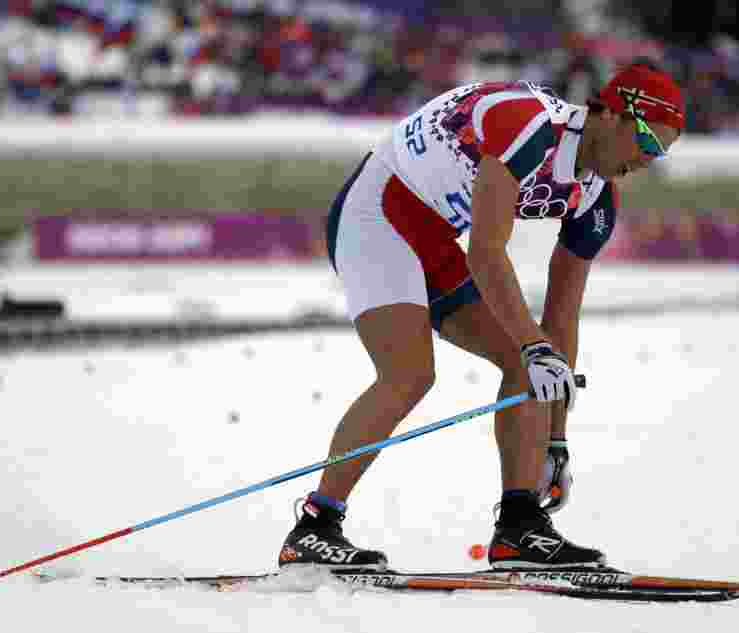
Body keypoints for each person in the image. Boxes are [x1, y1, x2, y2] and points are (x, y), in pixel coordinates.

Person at [279, 62, 685, 570]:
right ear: (614, 116)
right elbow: (488, 253)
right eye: (648, 143)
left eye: (662, 152)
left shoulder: (596, 195)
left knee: (526, 365)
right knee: (409, 374)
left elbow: (561, 315)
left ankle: (519, 527)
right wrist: (534, 345)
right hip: (378, 215)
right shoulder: (531, 129)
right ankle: (315, 528)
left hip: (435, 238)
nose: (650, 160)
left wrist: (554, 438)